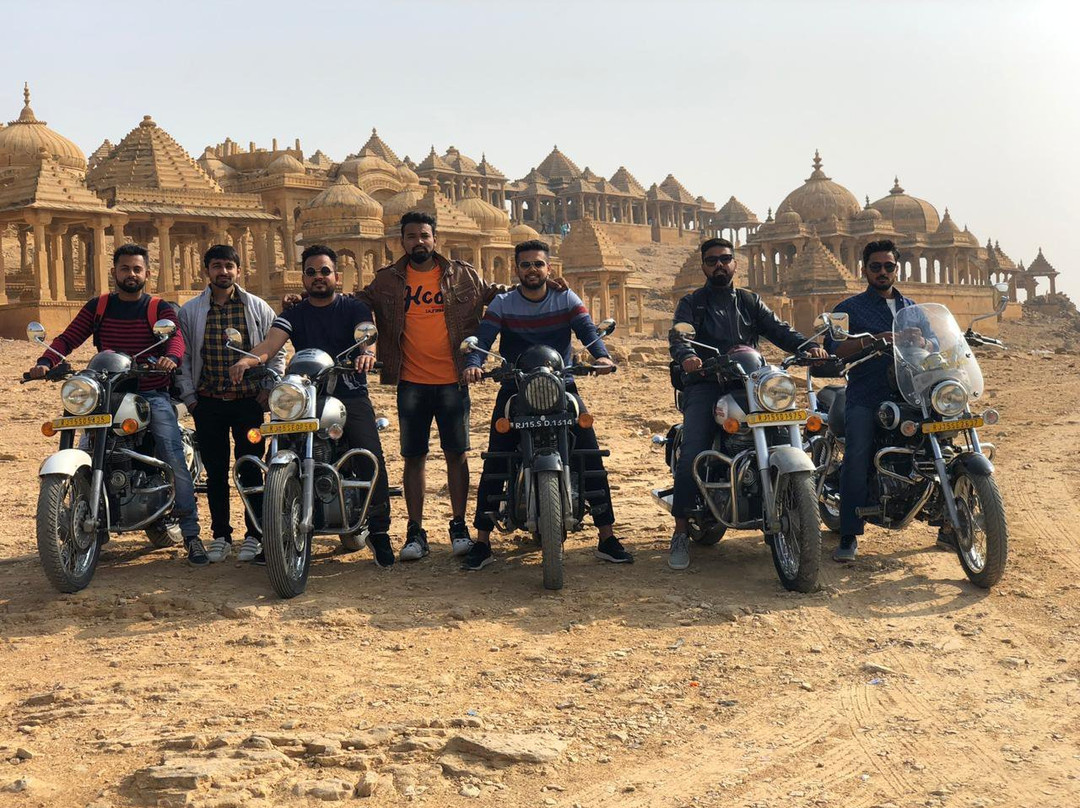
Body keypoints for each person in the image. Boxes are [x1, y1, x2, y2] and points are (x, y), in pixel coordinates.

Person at [26, 244, 206, 565]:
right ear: (115, 272)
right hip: (106, 393)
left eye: (137, 269)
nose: (131, 274)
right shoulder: (100, 307)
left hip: (150, 392)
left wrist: (170, 357)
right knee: (87, 442)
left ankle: (192, 535)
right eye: (125, 269)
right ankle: (95, 520)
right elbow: (68, 338)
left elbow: (174, 336)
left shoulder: (157, 308)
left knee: (171, 451)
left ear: (147, 274)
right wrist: (45, 361)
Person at [461, 239, 633, 570]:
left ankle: (607, 538)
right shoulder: (503, 303)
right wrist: (474, 361)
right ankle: (481, 542)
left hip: (562, 384)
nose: (532, 270)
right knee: (496, 458)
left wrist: (602, 357)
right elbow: (483, 339)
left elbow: (587, 331)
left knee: (590, 455)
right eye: (525, 265)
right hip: (515, 386)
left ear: (548, 268)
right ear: (517, 269)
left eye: (538, 264)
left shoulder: (566, 298)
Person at [228, 244, 395, 567]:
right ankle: (273, 535)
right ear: (303, 278)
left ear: (336, 275)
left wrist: (366, 355)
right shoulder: (295, 314)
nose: (318, 277)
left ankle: (379, 531)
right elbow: (271, 343)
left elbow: (367, 339)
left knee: (369, 453)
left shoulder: (353, 307)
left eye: (324, 271)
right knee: (273, 453)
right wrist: (249, 360)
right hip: (304, 395)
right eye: (311, 272)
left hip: (348, 391)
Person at [667, 237, 827, 570]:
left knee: (788, 430)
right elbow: (680, 338)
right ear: (704, 266)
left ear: (735, 263)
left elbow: (780, 330)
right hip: (708, 383)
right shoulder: (692, 304)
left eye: (725, 259)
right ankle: (681, 529)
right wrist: (688, 358)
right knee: (694, 448)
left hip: (753, 382)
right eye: (712, 261)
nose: (719, 265)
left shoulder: (749, 301)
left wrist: (808, 347)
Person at [826, 239, 938, 562]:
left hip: (911, 393)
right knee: (858, 453)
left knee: (941, 441)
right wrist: (875, 340)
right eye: (876, 267)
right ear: (865, 270)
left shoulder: (913, 309)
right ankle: (848, 533)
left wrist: (924, 342)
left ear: (896, 269)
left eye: (889, 266)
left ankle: (947, 522)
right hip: (866, 393)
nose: (883, 272)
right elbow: (834, 348)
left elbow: (934, 341)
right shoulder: (849, 308)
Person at [177, 245, 285, 564]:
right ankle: (221, 536)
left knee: (251, 467)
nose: (223, 272)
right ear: (206, 271)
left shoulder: (258, 307)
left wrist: (268, 387)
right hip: (208, 403)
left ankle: (255, 534)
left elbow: (276, 351)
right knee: (215, 472)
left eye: (228, 266)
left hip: (247, 403)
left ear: (239, 270)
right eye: (216, 266)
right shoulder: (191, 311)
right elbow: (184, 358)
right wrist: (190, 399)